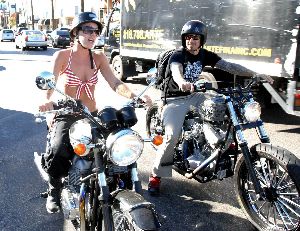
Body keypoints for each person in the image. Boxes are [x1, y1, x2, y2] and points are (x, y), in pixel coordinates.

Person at [38, 12, 151, 213]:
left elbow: (115, 83)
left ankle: (117, 185)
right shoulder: (62, 56)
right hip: (67, 113)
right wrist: (47, 103)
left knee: (114, 145)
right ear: (75, 32)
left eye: (96, 31)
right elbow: (50, 86)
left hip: (91, 114)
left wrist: (135, 96)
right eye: (87, 30)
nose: (93, 35)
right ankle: (54, 189)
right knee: (57, 150)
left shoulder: (98, 57)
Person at [147, 20, 273, 195]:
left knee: (222, 106)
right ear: (184, 39)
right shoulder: (178, 55)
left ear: (202, 40)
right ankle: (156, 175)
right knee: (171, 136)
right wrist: (183, 82)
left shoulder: (205, 54)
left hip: (195, 95)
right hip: (175, 99)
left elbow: (229, 66)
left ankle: (222, 143)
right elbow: (176, 72)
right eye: (188, 37)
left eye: (196, 38)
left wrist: (255, 73)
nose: (191, 41)